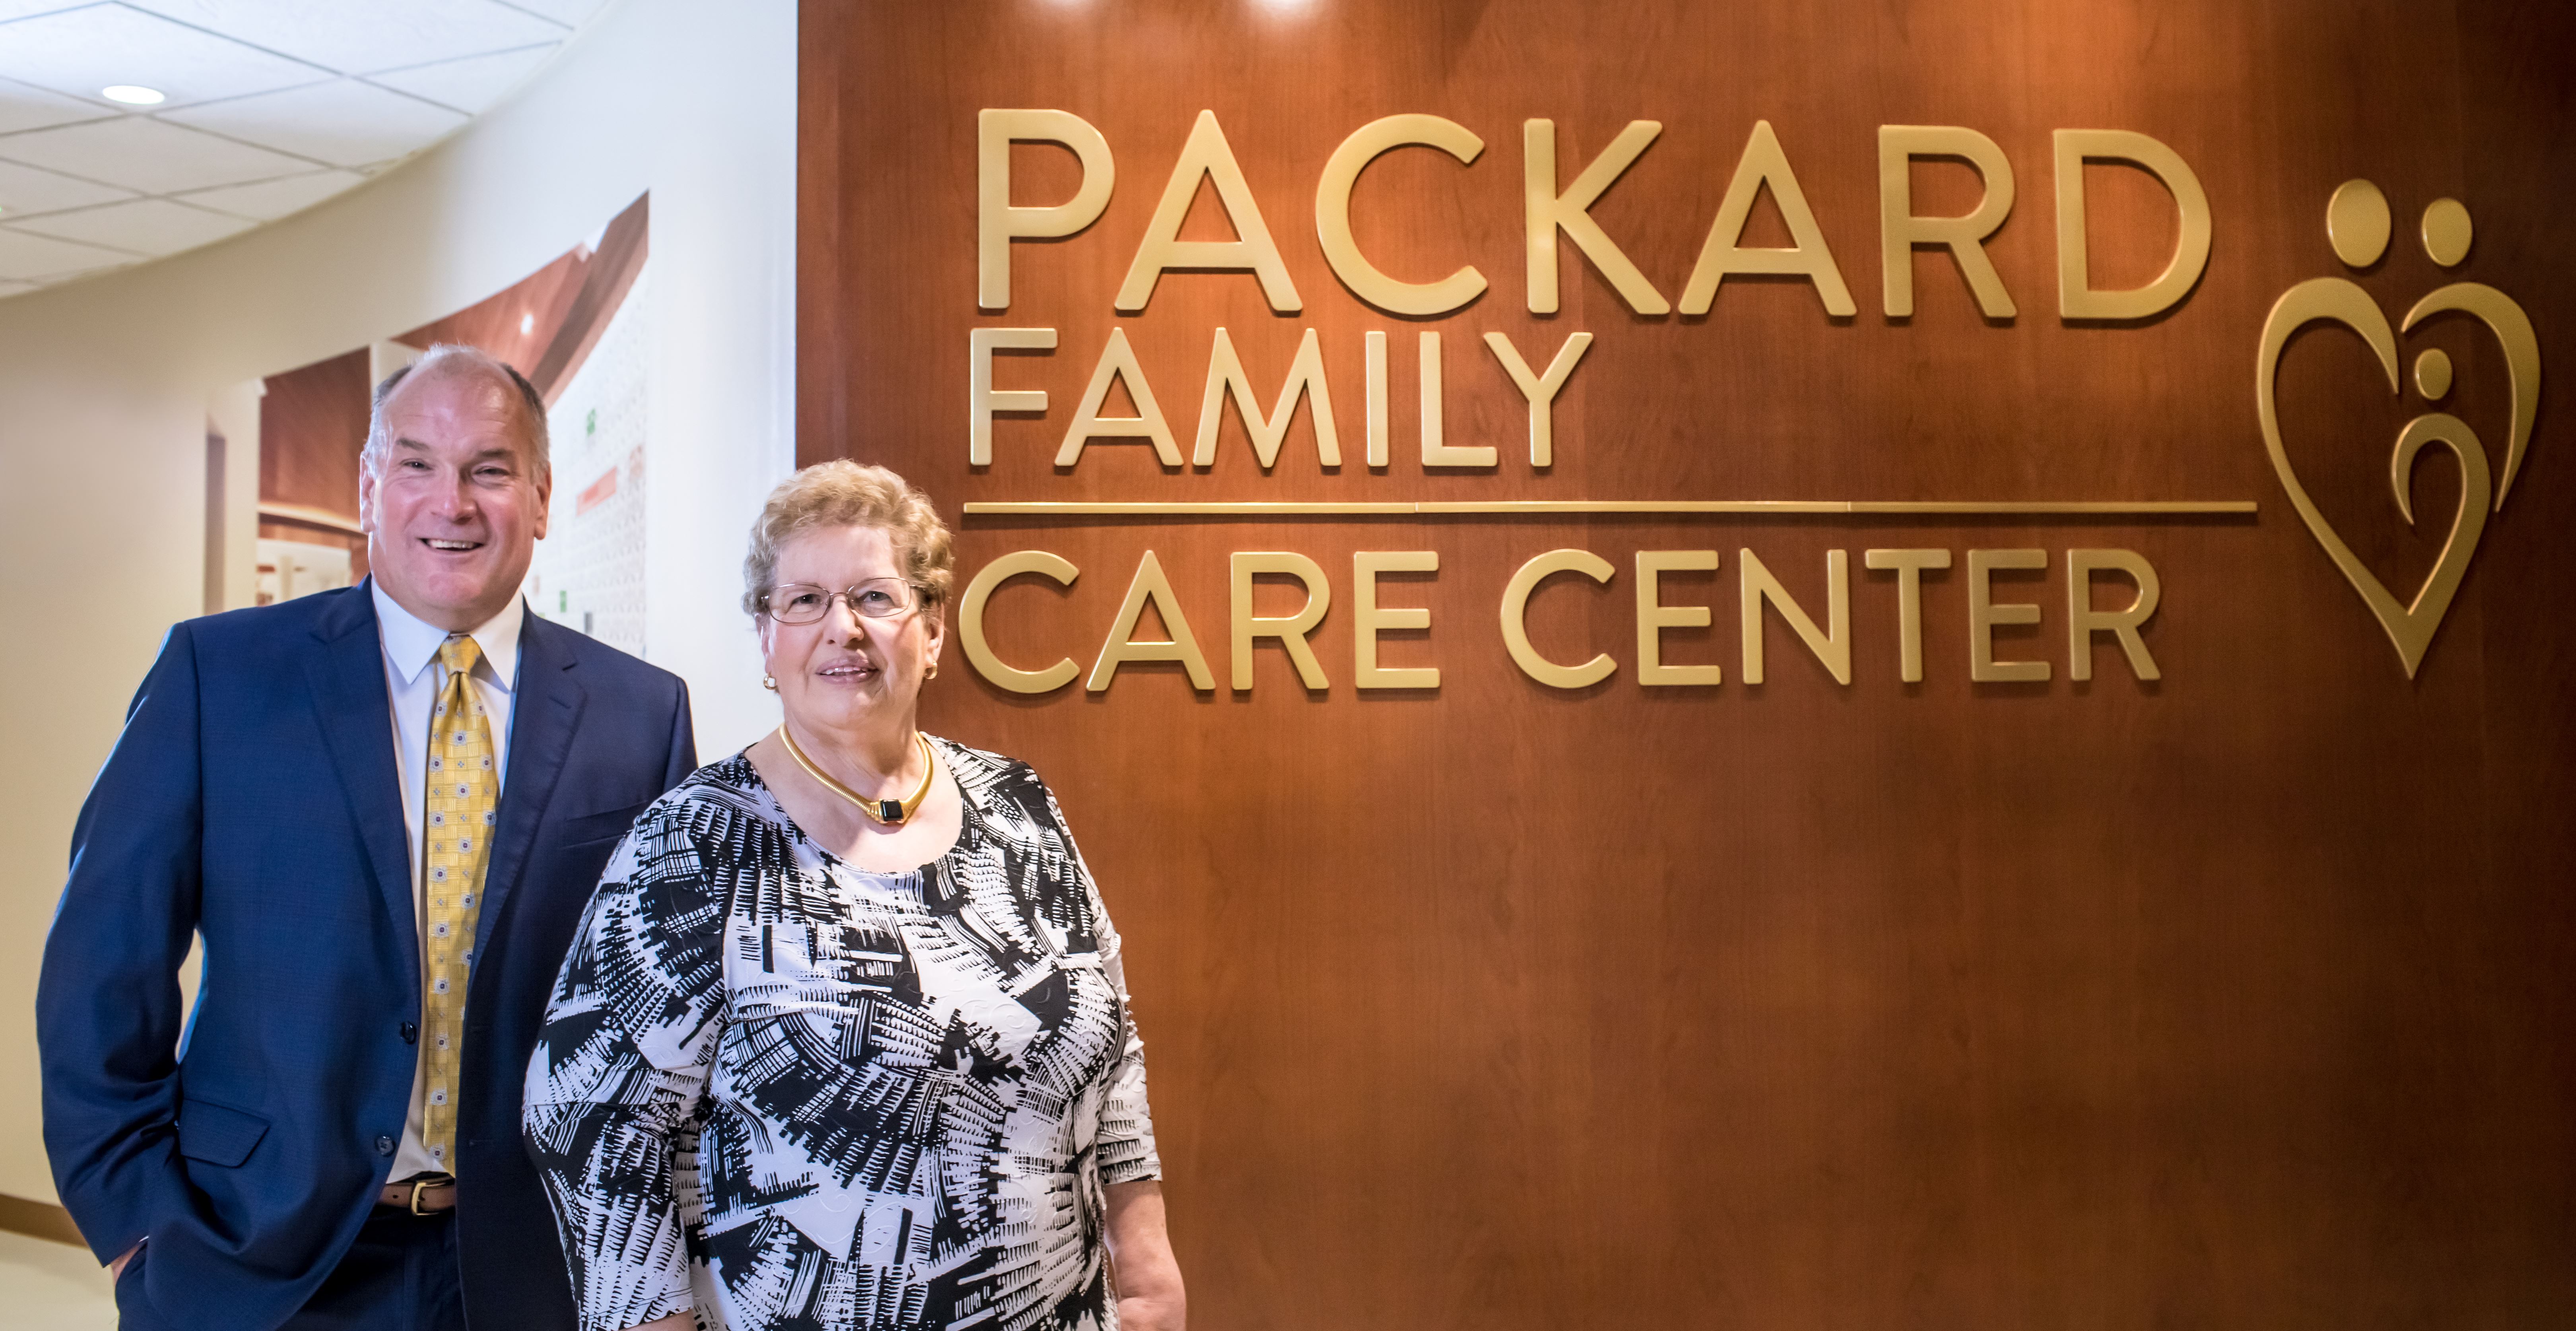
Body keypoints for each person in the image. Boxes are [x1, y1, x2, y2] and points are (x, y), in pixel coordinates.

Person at [37, 344, 698, 1331]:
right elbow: (103, 962)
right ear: (369, 488)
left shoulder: (640, 715)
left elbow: (672, 1014)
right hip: (258, 1254)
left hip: (536, 1265)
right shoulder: (219, 676)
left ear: (543, 496)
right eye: (418, 464)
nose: (453, 502)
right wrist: (135, 1217)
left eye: (490, 469)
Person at [524, 460, 1186, 1331]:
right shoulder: (695, 842)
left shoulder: (1019, 805)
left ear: (934, 631)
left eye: (876, 598)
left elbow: (1115, 1048)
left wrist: (1144, 1272)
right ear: (767, 639)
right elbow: (588, 1119)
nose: (843, 630)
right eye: (803, 602)